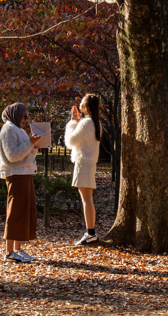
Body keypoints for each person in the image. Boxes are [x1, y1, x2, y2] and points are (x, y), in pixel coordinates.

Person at [0, 102, 43, 264]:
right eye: (24, 115)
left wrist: (35, 144)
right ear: (16, 114)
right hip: (16, 175)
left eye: (27, 116)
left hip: (25, 173)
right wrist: (30, 142)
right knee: (16, 212)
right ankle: (9, 252)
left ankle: (17, 249)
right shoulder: (8, 129)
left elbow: (27, 154)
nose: (26, 119)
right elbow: (12, 155)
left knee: (24, 212)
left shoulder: (19, 130)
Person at [65, 93, 102, 245]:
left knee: (86, 199)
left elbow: (71, 141)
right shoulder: (96, 123)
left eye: (82, 102)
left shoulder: (86, 123)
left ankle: (90, 233)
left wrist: (73, 122)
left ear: (86, 106)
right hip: (90, 163)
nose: (79, 104)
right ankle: (91, 232)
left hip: (83, 163)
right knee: (88, 199)